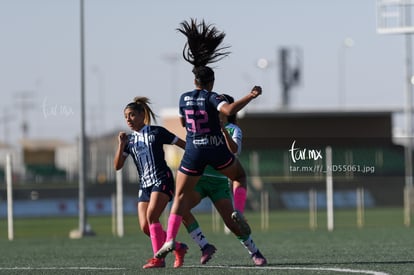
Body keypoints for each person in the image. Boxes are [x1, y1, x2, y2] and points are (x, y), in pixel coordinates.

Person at [155, 18, 266, 266]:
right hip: (207, 166)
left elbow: (186, 122)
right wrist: (251, 95)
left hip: (211, 177)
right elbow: (225, 109)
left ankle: (254, 251)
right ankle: (201, 244)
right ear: (211, 85)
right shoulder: (215, 102)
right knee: (183, 204)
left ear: (195, 81)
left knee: (228, 221)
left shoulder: (187, 99)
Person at [182, 94, 266, 266]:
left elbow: (234, 151)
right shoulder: (203, 127)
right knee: (181, 209)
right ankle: (205, 246)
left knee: (232, 222)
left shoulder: (234, 129)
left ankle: (254, 252)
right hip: (199, 180)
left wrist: (223, 131)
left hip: (219, 183)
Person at [113, 96, 188, 269]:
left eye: (132, 115)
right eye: (126, 117)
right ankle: (177, 247)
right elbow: (117, 166)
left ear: (141, 115)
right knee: (146, 227)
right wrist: (121, 144)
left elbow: (184, 145)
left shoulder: (157, 132)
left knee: (152, 217)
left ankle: (159, 259)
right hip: (144, 185)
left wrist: (194, 162)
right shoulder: (129, 141)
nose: (128, 120)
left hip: (162, 179)